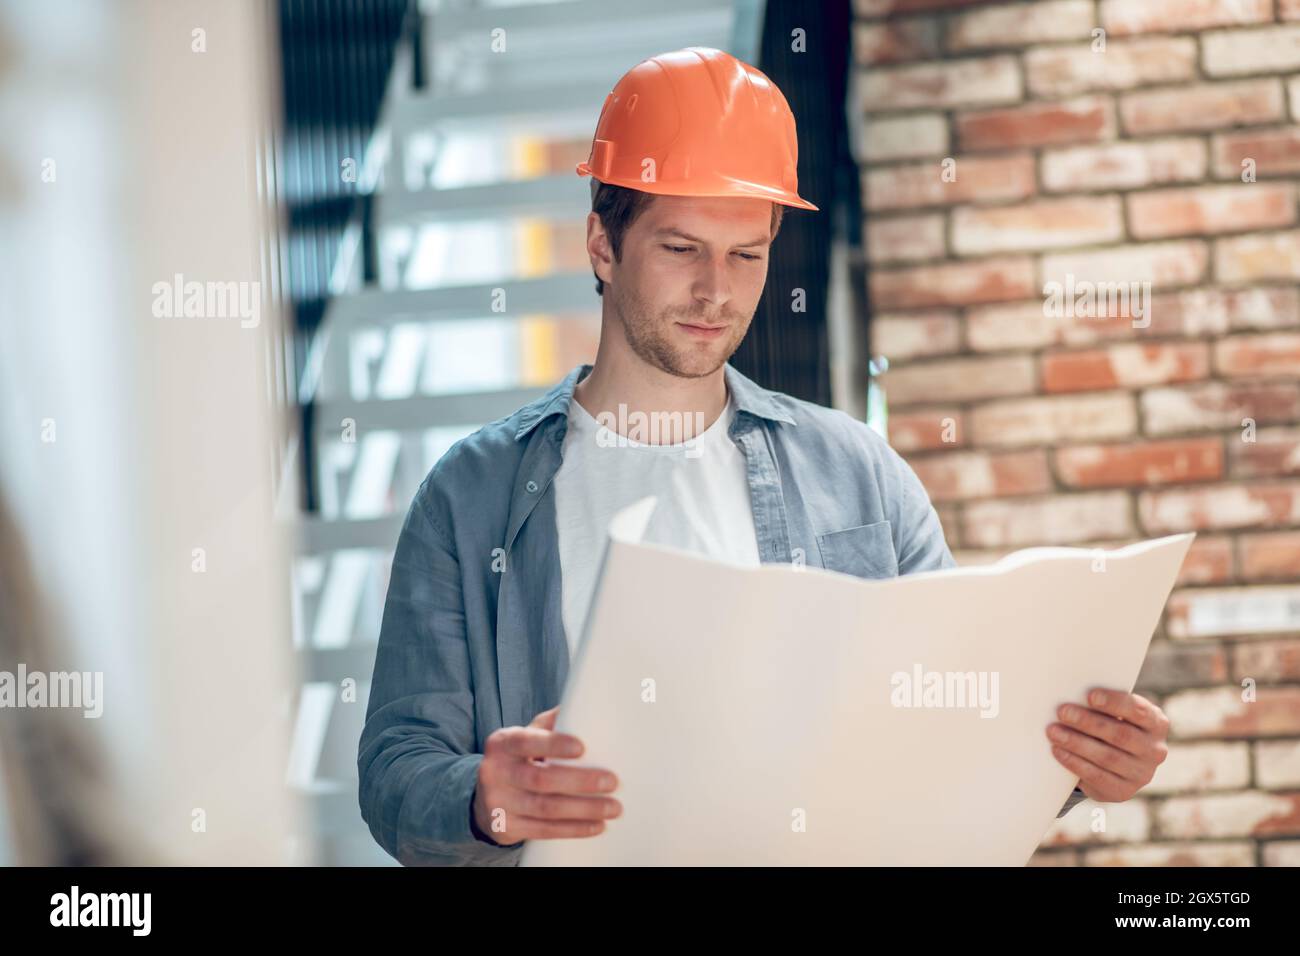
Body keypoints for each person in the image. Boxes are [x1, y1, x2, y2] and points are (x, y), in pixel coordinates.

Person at [357, 46, 1166, 866]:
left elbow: (948, 726)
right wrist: (487, 799)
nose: (718, 290)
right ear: (602, 244)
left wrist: (1078, 761)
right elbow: (396, 767)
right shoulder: (472, 495)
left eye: (747, 254)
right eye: (681, 249)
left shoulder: (859, 473)